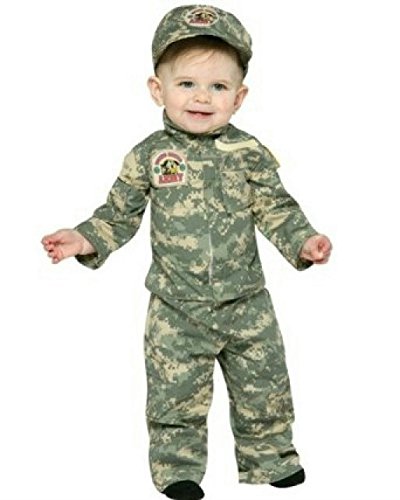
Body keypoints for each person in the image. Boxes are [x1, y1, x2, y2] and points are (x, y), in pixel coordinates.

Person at [42, 5, 332, 500]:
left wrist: (304, 240)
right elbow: (119, 213)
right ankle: (177, 469)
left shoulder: (249, 153)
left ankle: (270, 458)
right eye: (186, 84)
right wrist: (84, 238)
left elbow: (276, 207)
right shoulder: (149, 155)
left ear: (239, 97)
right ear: (158, 89)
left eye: (218, 86)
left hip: (247, 302)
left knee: (265, 387)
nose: (202, 96)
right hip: (176, 307)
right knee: (175, 395)